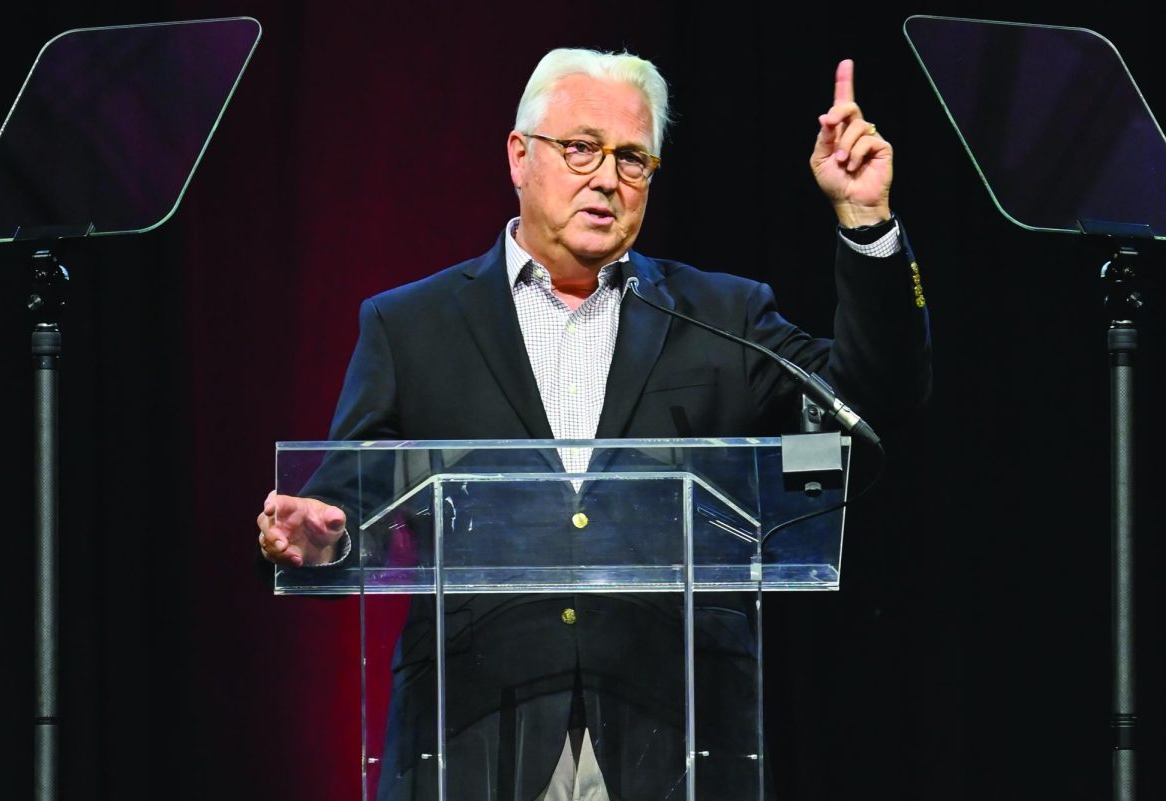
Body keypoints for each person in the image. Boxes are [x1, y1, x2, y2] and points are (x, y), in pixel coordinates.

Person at [257, 47, 930, 801]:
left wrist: (865, 219)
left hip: (680, 738)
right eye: (580, 148)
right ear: (520, 156)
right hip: (475, 734)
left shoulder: (723, 316)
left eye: (633, 158)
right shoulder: (410, 325)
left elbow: (871, 398)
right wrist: (322, 530)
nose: (606, 177)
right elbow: (346, 492)